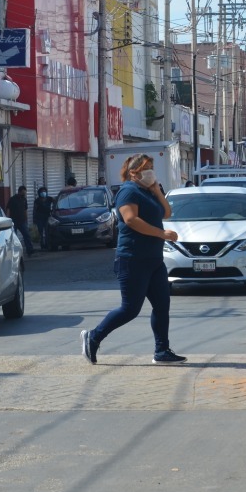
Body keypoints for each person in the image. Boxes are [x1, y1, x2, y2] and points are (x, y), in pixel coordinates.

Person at [81, 153, 185, 365]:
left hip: (154, 260)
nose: (151, 173)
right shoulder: (128, 191)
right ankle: (93, 336)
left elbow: (167, 213)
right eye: (147, 169)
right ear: (133, 173)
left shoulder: (148, 191)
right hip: (132, 258)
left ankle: (162, 350)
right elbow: (130, 220)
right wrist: (161, 234)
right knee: (130, 309)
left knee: (162, 304)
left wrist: (156, 190)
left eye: (152, 168)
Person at [7, 185, 34, 256]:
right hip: (14, 221)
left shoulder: (24, 199)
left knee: (27, 235)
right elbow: (8, 209)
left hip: (22, 221)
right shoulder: (12, 199)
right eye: (23, 193)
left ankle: (30, 250)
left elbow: (25, 210)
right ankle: (14, 252)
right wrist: (8, 220)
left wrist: (26, 219)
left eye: (25, 193)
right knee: (13, 237)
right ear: (19, 192)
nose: (24, 194)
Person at [32, 185, 52, 251]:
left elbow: (56, 201)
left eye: (44, 191)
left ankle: (47, 244)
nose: (43, 193)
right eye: (42, 192)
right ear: (39, 193)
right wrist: (34, 219)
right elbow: (34, 210)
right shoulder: (37, 201)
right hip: (39, 218)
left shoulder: (49, 199)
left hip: (47, 218)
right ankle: (42, 245)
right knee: (40, 232)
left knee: (47, 232)